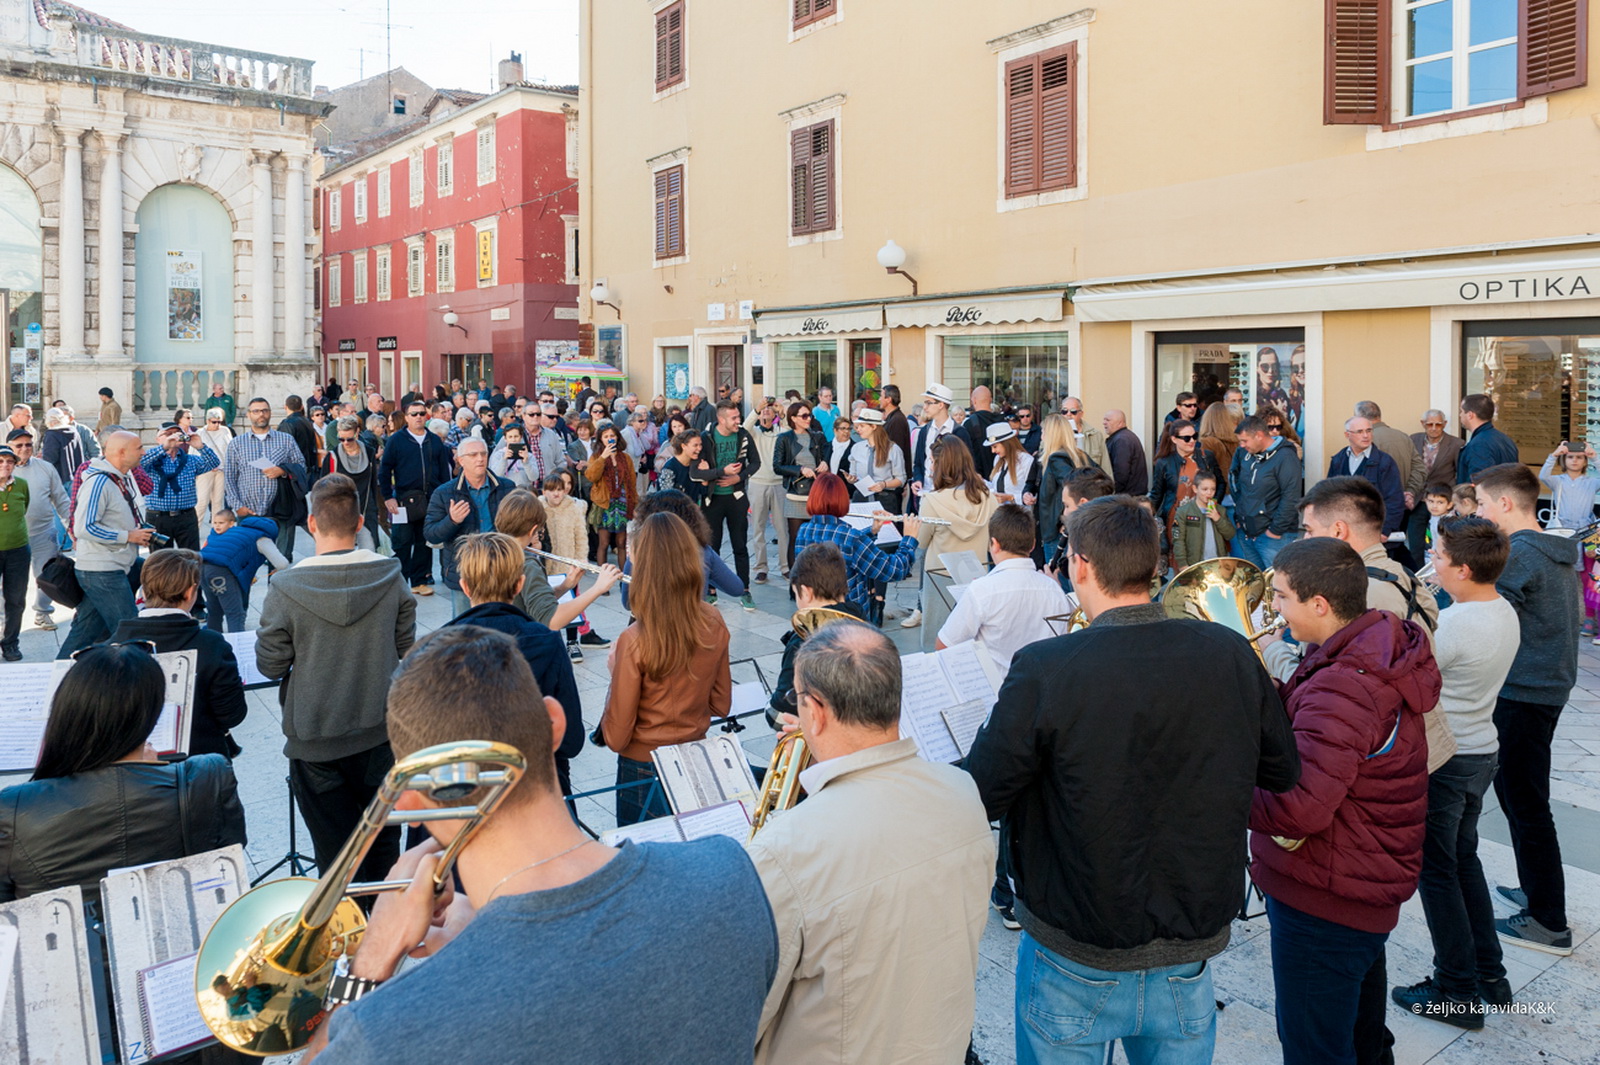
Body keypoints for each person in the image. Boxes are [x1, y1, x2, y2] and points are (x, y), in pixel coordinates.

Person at [299, 626, 778, 1065]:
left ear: (409, 801)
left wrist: (370, 960)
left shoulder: (385, 1031)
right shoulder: (730, 874)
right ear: (554, 722)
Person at [967, 497, 1300, 1065]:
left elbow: (982, 793)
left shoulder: (1044, 666)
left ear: (1080, 565)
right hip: (1188, 944)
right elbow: (1281, 769)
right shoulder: (1229, 651)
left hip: (1076, 945)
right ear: (1155, 564)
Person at [749, 621, 992, 1064]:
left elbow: (747, 1012)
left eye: (797, 699)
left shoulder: (784, 849)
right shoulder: (962, 790)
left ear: (816, 711)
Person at [1249, 537, 1439, 1065]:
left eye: (1280, 596)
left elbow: (1300, 808)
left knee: (1315, 1048)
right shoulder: (1364, 653)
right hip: (1355, 882)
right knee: (1360, 1036)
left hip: (1326, 898)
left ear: (1319, 604)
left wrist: (1221, 791)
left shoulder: (1345, 685)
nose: (1273, 608)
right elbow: (1323, 742)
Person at [256, 474, 416, 888]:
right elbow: (406, 646)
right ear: (360, 523)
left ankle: (347, 925)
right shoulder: (391, 575)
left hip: (316, 739)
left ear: (312, 524)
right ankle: (384, 921)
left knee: (335, 859)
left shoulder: (285, 586)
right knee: (383, 847)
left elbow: (270, 665)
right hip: (380, 731)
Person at [1391, 517, 1519, 1028]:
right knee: (1463, 862)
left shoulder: (1459, 624)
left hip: (1449, 759)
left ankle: (1456, 989)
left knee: (1438, 873)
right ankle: (1489, 974)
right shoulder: (1500, 608)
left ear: (1463, 569)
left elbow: (1404, 677)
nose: (1433, 563)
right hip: (1480, 751)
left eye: (1439, 556)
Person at [0, 643, 245, 906]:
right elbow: (229, 861)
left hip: (67, 931)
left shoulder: (13, 807)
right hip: (188, 924)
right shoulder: (209, 775)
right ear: (151, 714)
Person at [1473, 462, 1582, 955]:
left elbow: (1486, 614)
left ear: (1504, 503)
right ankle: (1536, 890)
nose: (1478, 512)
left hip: (1524, 692)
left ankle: (1548, 921)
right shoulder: (1549, 549)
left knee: (1526, 803)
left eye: (1481, 503)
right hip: (1543, 687)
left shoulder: (1519, 553)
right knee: (1520, 797)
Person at [599, 512, 731, 825]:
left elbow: (616, 737)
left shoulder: (634, 639)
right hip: (694, 755)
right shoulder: (713, 619)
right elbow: (721, 704)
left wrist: (616, 674)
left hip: (643, 767)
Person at [1262, 476, 1439, 682]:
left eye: (1309, 531)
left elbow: (1323, 687)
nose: (1305, 539)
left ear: (1339, 531)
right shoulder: (1403, 574)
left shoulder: (1357, 593)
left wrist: (1273, 650)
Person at [446, 532, 583, 797]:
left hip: (465, 797)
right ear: (520, 584)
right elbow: (571, 740)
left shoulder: (434, 648)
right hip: (540, 789)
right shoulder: (547, 641)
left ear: (464, 587)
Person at [112, 548, 249, 759]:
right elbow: (232, 715)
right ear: (190, 592)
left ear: (144, 592)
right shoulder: (212, 645)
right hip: (200, 763)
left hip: (132, 767)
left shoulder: (109, 648)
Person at [936, 503, 1068, 675]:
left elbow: (944, 646)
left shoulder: (981, 590)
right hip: (1042, 685)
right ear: (1033, 545)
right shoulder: (1054, 588)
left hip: (996, 687)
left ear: (994, 544)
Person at [59, 431, 152, 659]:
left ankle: (60, 672)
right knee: (131, 633)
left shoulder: (120, 478)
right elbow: (84, 528)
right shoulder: (99, 482)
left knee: (84, 634)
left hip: (109, 568)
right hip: (102, 571)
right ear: (122, 452)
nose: (143, 452)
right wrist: (128, 536)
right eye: (139, 448)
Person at [497, 486, 615, 663]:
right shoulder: (526, 565)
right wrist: (597, 588)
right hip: (523, 656)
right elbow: (551, 619)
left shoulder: (493, 552)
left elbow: (530, 603)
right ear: (533, 530)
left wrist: (565, 586)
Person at [793, 474, 920, 627]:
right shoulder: (851, 538)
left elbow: (840, 545)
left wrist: (871, 531)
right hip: (849, 622)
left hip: (814, 619)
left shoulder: (804, 530)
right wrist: (909, 539)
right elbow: (894, 570)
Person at [765, 542, 866, 722]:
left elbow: (781, 710)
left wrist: (769, 709)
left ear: (806, 592)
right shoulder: (866, 625)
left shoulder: (802, 641)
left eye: (796, 593)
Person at [916, 440, 997, 648]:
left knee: (936, 639)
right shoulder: (988, 498)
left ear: (941, 465)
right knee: (973, 638)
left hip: (939, 575)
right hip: (976, 572)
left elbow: (921, 542)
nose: (931, 466)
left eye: (932, 461)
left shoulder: (932, 500)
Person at [423, 438, 516, 618]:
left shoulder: (507, 487)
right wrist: (452, 520)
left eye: (483, 454)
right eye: (473, 455)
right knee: (465, 626)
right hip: (464, 571)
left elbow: (518, 526)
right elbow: (431, 534)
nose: (480, 459)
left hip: (500, 568)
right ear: (461, 460)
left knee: (501, 624)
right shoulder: (444, 493)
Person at [619, 490, 745, 611]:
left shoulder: (639, 552)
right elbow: (736, 588)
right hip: (692, 622)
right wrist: (707, 572)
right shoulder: (703, 551)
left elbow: (628, 603)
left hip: (652, 623)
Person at [378, 400, 453, 596]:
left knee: (424, 541)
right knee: (401, 542)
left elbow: (444, 472)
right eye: (414, 414)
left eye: (421, 413)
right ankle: (400, 582)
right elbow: (384, 470)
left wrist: (445, 498)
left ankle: (419, 580)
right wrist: (388, 497)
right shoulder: (396, 440)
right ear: (406, 417)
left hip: (430, 499)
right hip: (403, 499)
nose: (418, 417)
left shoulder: (434, 440)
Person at [223, 397, 307, 565]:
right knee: (247, 562)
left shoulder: (285, 439)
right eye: (256, 411)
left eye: (264, 410)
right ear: (249, 415)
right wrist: (237, 506)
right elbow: (229, 477)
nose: (261, 414)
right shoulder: (236, 444)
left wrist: (282, 470)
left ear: (270, 413)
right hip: (249, 511)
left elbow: (301, 465)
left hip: (280, 510)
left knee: (280, 563)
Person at [699, 401, 760, 610]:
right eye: (733, 418)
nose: (738, 421)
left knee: (740, 545)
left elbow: (755, 463)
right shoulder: (706, 437)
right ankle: (710, 589)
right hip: (712, 499)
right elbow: (697, 468)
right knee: (711, 546)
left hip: (736, 498)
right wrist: (712, 473)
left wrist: (739, 477)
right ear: (721, 419)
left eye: (738, 417)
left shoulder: (743, 435)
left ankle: (745, 590)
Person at [8, 427, 67, 632]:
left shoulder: (46, 468)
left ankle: (42, 612)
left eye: (28, 444)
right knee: (10, 581)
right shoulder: (4, 468)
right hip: (12, 537)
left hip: (43, 532)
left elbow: (61, 499)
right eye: (19, 445)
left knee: (47, 576)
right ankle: (5, 619)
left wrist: (71, 525)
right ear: (9, 447)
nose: (24, 448)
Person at [1228, 414, 1303, 569]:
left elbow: (1291, 496)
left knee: (1277, 579)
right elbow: (1234, 478)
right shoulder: (1243, 452)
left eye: (1245, 440)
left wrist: (1275, 530)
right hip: (1247, 531)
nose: (1241, 445)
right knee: (1256, 579)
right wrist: (1240, 515)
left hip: (1274, 536)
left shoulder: (1285, 456)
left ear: (1259, 435)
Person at [199, 508, 287, 632]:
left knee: (215, 611)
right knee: (235, 614)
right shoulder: (262, 538)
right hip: (221, 571)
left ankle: (213, 642)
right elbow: (282, 564)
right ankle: (237, 643)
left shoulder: (236, 530)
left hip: (201, 566)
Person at [139, 421, 220, 551]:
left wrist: (200, 446)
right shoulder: (151, 460)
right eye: (168, 434)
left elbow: (214, 463)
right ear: (158, 439)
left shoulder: (190, 460)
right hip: (158, 517)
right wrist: (164, 447)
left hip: (186, 516)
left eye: (177, 433)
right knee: (161, 559)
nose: (173, 436)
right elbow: (138, 464)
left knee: (191, 556)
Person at [774, 400, 833, 569]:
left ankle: (814, 576)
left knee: (817, 539)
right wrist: (799, 470)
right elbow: (777, 466)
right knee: (796, 538)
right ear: (793, 418)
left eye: (810, 415)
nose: (808, 419)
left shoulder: (817, 436)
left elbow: (828, 450)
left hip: (817, 493)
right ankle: (795, 579)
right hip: (796, 495)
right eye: (804, 416)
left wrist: (825, 462)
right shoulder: (784, 438)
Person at [1328, 416, 1406, 540]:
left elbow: (1395, 500)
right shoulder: (1338, 460)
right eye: (1360, 432)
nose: (1366, 436)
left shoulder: (1385, 462)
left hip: (1372, 532)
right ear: (1347, 435)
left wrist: (1384, 530)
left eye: (1369, 431)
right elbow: (1329, 496)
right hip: (1344, 532)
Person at [1408, 410, 1464, 565]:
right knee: (1415, 543)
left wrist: (1454, 500)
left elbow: (1459, 472)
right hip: (1419, 500)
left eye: (1438, 424)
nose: (1434, 428)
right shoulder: (1413, 439)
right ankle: (1418, 574)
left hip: (1442, 500)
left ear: (1444, 424)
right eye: (1430, 424)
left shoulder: (1456, 444)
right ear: (1423, 424)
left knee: (1443, 542)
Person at [745, 398, 789, 582]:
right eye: (763, 409)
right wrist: (756, 410)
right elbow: (744, 428)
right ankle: (761, 567)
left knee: (782, 528)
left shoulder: (781, 432)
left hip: (778, 483)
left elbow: (791, 432)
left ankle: (785, 566)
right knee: (758, 527)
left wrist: (782, 413)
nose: (766, 411)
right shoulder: (754, 433)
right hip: (757, 482)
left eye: (769, 409)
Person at [585, 423, 637, 573]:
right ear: (601, 439)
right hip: (605, 503)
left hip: (622, 503)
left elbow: (632, 483)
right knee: (604, 542)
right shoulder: (596, 456)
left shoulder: (625, 458)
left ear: (617, 438)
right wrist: (603, 457)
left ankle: (624, 578)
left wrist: (634, 504)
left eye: (612, 436)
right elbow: (591, 476)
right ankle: (603, 577)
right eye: (606, 436)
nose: (609, 439)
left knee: (621, 542)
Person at [910, 384, 971, 497]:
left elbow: (966, 466)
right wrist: (918, 479)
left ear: (941, 405)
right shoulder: (924, 431)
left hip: (950, 494)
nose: (924, 407)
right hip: (926, 492)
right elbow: (918, 462)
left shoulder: (959, 432)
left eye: (928, 403)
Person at [1170, 470, 1235, 572]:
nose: (1209, 493)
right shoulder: (1183, 512)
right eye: (1205, 489)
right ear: (1195, 489)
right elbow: (1178, 540)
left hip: (1217, 565)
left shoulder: (1220, 510)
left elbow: (1230, 534)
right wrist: (1182, 564)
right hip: (1195, 566)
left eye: (1213, 489)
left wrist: (1217, 519)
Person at [0, 445, 27, 660]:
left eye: (9, 461)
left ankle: (10, 643)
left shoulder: (22, 485)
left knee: (16, 600)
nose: (5, 465)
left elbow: (24, 507)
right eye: (0, 461)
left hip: (18, 550)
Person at [1457, 393, 1520, 484]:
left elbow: (1480, 483)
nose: (1460, 415)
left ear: (1470, 415)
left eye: (1461, 411)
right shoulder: (1506, 439)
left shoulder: (1479, 444)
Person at [1539, 441, 1600, 530]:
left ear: (1585, 462)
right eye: (1570, 457)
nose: (1574, 460)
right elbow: (1543, 476)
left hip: (1585, 528)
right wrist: (1554, 455)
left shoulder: (1592, 482)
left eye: (1579, 457)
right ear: (1564, 460)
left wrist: (1595, 458)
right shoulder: (1558, 481)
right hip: (1562, 528)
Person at [196, 406, 233, 527]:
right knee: (202, 502)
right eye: (214, 422)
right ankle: (194, 530)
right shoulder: (200, 433)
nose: (217, 424)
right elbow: (194, 454)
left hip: (221, 470)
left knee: (218, 502)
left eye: (219, 421)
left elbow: (230, 449)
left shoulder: (225, 431)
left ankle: (216, 529)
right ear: (207, 420)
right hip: (205, 471)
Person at [984, 422, 1034, 506]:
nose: (993, 451)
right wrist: (983, 483)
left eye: (995, 446)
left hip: (1020, 512)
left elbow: (1032, 494)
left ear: (1006, 443)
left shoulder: (1026, 460)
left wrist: (1011, 497)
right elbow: (997, 488)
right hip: (1001, 511)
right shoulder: (997, 459)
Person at [1059, 397, 1112, 475]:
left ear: (1081, 414)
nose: (1068, 414)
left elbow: (1105, 466)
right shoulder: (1053, 435)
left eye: (1073, 411)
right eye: (1064, 411)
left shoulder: (1095, 435)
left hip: (1089, 481)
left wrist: (1109, 481)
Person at [1101, 409, 1148, 495]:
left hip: (1127, 496)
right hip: (1130, 494)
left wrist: (1111, 492)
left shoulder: (1121, 440)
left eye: (1108, 420)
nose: (1104, 423)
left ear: (1120, 423)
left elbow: (1121, 473)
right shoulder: (1124, 437)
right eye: (1104, 420)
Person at [962, 386, 1004, 479]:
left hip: (978, 478)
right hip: (1003, 477)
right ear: (990, 400)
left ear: (974, 400)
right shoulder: (1003, 422)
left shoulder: (969, 424)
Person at [1198, 401, 1241, 481]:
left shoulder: (1208, 442)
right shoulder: (1236, 440)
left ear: (1207, 419)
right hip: (1233, 485)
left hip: (1216, 485)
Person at [880, 384, 914, 475]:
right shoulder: (892, 418)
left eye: (881, 396)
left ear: (888, 399)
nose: (879, 399)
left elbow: (897, 450)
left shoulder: (897, 420)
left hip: (895, 474)